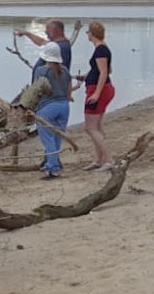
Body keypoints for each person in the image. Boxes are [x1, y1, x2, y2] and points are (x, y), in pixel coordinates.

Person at [32, 41, 72, 179]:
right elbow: (68, 91)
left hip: (47, 108)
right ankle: (54, 162)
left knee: (47, 139)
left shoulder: (41, 71)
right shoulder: (65, 70)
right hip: (64, 106)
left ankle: (52, 168)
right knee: (56, 138)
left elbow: (35, 91)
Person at [80, 21, 115, 170]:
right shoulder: (102, 48)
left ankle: (109, 160)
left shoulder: (101, 50)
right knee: (97, 126)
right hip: (98, 87)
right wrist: (86, 77)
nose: (87, 34)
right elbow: (105, 69)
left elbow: (104, 72)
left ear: (92, 33)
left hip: (99, 90)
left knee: (90, 127)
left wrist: (96, 93)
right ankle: (98, 159)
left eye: (88, 32)